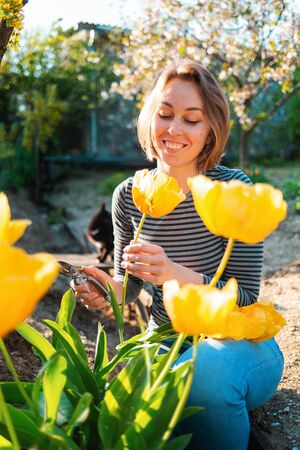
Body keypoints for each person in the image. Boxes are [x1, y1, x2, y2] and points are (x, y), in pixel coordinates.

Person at [72, 60, 284, 450]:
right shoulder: (131, 195)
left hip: (236, 338)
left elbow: (246, 297)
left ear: (210, 130)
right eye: (165, 114)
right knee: (127, 398)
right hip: (166, 339)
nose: (174, 129)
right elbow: (131, 286)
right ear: (150, 118)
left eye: (192, 119)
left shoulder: (233, 188)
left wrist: (171, 272)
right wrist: (108, 291)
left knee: (203, 378)